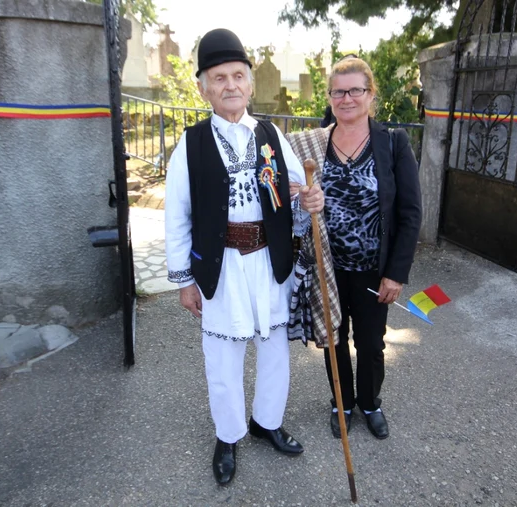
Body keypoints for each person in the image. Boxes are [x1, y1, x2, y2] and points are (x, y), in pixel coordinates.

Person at [164, 28, 324, 486]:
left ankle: (267, 422)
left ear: (250, 84)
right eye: (219, 78)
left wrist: (311, 200)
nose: (230, 85)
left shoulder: (272, 134)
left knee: (273, 349)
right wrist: (183, 280)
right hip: (221, 265)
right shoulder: (190, 144)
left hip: (269, 261)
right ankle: (228, 435)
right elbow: (177, 215)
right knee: (223, 355)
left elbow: (299, 191)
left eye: (238, 76)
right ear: (204, 88)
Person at [286, 55, 422, 441]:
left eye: (355, 90)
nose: (347, 98)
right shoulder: (312, 143)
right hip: (327, 265)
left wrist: (396, 272)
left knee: (370, 340)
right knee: (333, 337)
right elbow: (289, 192)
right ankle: (342, 402)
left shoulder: (393, 144)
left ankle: (370, 402)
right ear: (329, 97)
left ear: (370, 94)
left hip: (371, 268)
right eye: (338, 91)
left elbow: (411, 213)